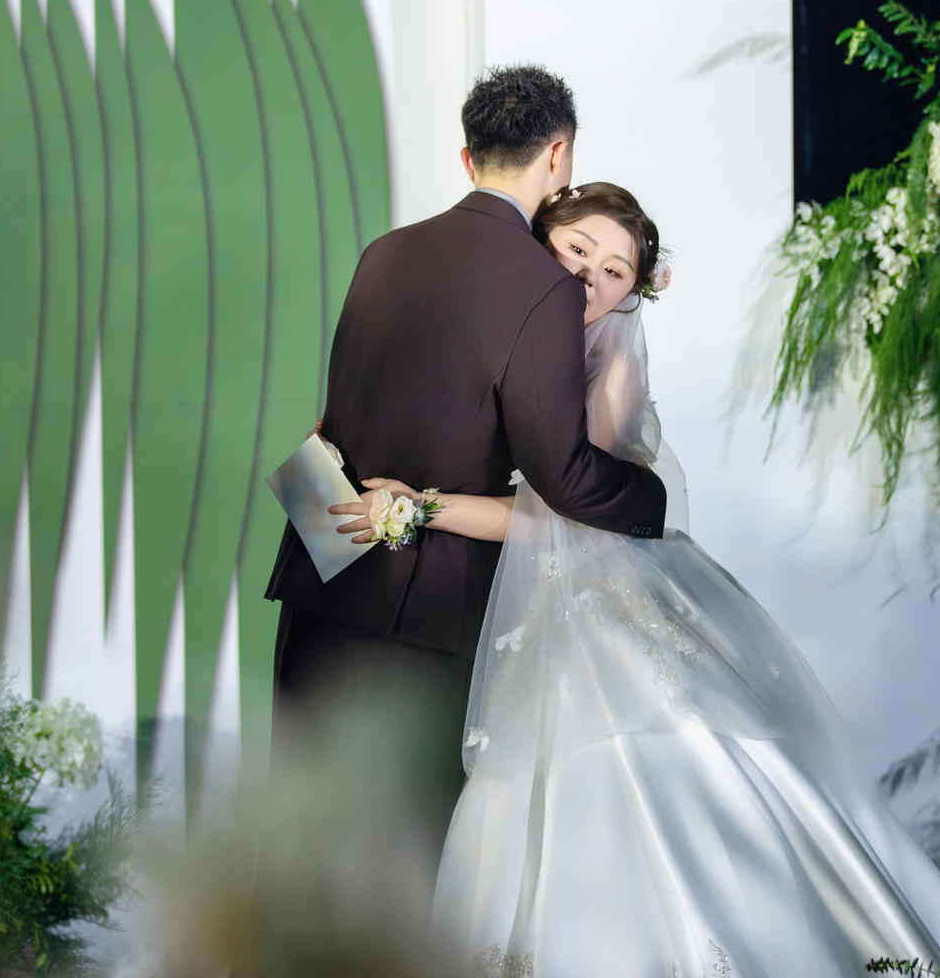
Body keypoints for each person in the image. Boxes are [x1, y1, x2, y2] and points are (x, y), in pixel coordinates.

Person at [330, 183, 940, 978]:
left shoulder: (610, 371)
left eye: (614, 271)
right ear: (542, 241)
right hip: (525, 610)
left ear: (633, 290)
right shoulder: (510, 333)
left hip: (598, 606)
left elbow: (559, 515)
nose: (588, 278)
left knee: (669, 776)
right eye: (577, 250)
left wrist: (424, 508)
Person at [262, 67, 667, 859]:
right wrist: (647, 498)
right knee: (404, 869)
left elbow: (340, 416)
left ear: (467, 156)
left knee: (298, 852)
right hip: (422, 617)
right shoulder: (543, 288)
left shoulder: (384, 252)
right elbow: (565, 475)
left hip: (319, 575)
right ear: (559, 155)